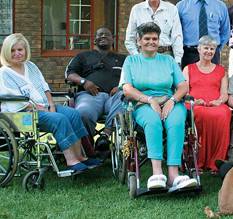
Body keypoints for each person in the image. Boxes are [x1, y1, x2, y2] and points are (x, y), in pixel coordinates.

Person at [0, 33, 102, 172]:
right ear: (6, 52)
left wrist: (51, 105)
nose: (17, 53)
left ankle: (80, 156)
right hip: (24, 113)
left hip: (45, 107)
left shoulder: (31, 66)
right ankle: (71, 161)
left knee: (72, 113)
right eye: (12, 50)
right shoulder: (4, 73)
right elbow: (15, 101)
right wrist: (41, 108)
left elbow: (45, 87)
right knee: (59, 119)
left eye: (20, 50)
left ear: (25, 50)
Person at [119, 22, 197, 192]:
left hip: (170, 101)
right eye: (147, 38)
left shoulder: (168, 60)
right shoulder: (131, 61)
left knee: (176, 122)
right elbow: (127, 89)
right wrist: (150, 100)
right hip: (142, 103)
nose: (151, 42)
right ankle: (157, 173)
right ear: (139, 40)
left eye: (154, 38)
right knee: (153, 121)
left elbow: (183, 86)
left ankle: (173, 175)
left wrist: (173, 101)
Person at [65, 28, 126, 150]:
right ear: (94, 40)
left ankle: (105, 135)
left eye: (107, 35)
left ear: (112, 40)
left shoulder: (123, 59)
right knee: (83, 113)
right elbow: (69, 75)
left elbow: (133, 78)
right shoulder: (83, 56)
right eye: (100, 34)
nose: (103, 36)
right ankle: (87, 147)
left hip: (113, 98)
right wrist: (84, 81)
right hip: (89, 97)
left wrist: (121, 87)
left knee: (126, 98)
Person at [182, 35, 231, 176]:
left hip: (215, 104)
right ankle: (198, 161)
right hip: (194, 103)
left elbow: (224, 94)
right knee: (200, 113)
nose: (209, 51)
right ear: (199, 49)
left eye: (212, 48)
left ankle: (217, 161)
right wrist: (194, 100)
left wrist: (219, 101)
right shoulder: (189, 69)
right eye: (206, 48)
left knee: (224, 113)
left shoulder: (221, 70)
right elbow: (184, 91)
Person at [176, 0, 230, 69]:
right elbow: (176, 32)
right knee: (189, 83)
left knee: (211, 84)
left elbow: (226, 32)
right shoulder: (181, 6)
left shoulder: (220, 7)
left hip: (212, 54)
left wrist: (215, 48)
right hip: (190, 54)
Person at [125, 0, 183, 64]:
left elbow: (177, 37)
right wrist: (137, 56)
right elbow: (129, 39)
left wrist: (178, 61)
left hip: (165, 56)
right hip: (143, 57)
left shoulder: (172, 9)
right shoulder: (137, 9)